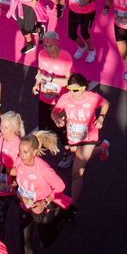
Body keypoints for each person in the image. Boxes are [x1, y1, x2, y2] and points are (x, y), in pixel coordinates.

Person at [11, 130, 72, 254]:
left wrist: (44, 203)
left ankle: (62, 215)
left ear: (34, 152)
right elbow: (18, 173)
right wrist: (15, 185)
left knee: (45, 242)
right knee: (25, 241)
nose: (21, 154)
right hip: (25, 207)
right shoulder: (19, 160)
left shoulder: (43, 169)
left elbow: (60, 186)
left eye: (25, 152)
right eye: (20, 151)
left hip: (42, 207)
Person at [51, 73, 109, 202]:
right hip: (73, 136)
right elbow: (55, 111)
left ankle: (72, 205)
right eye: (69, 89)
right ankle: (102, 148)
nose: (71, 92)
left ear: (83, 87)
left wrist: (101, 117)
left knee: (76, 173)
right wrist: (56, 118)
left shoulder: (93, 98)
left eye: (75, 90)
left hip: (90, 136)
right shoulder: (65, 98)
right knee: (76, 154)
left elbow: (105, 103)